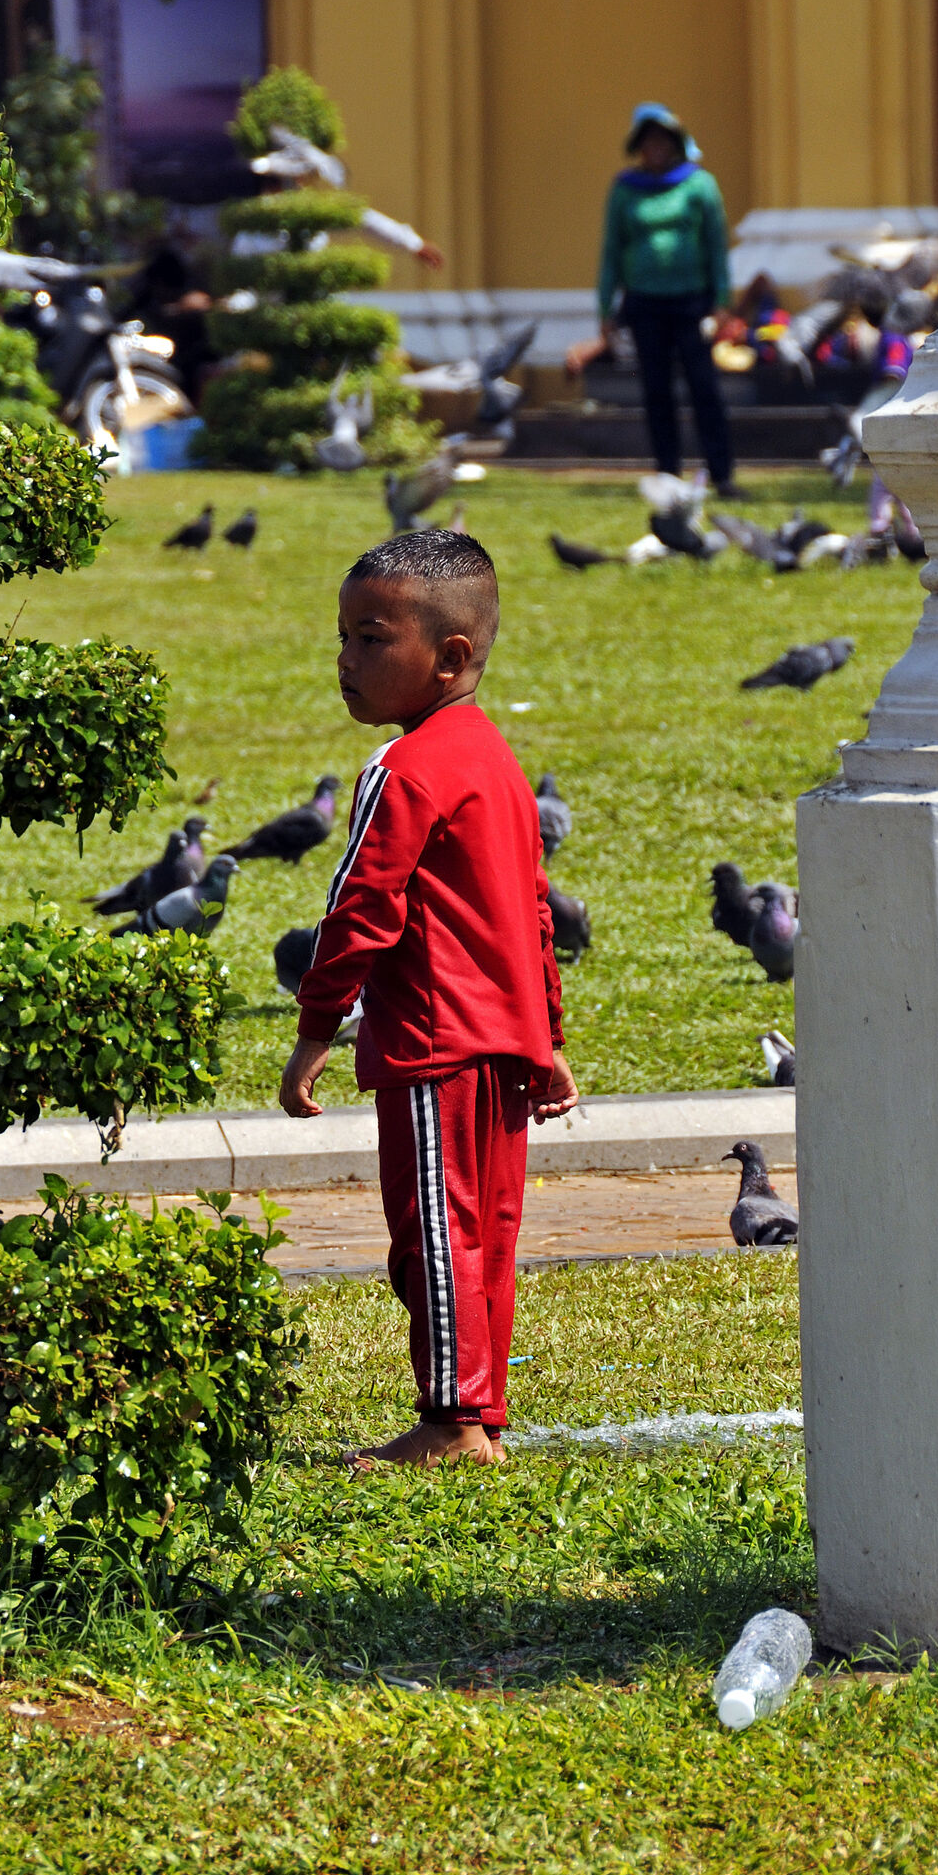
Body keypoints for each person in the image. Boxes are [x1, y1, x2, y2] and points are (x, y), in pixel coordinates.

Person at [279, 527, 580, 1471]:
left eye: (371, 640)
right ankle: (477, 1416)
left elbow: (358, 908)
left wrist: (314, 1030)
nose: (345, 660)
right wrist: (546, 1035)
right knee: (483, 1231)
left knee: (434, 1238)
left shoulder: (401, 768)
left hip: (434, 1044)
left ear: (449, 657)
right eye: (342, 638)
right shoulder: (493, 757)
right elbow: (533, 910)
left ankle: (451, 1422)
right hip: (502, 1045)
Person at [567, 103, 736, 498]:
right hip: (644, 304)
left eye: (663, 140)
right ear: (639, 147)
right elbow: (611, 250)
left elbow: (716, 244)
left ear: (675, 144)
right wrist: (605, 308)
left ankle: (722, 474)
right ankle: (667, 474)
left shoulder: (699, 185)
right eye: (649, 141)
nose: (656, 147)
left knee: (704, 388)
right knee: (656, 391)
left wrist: (722, 300)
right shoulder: (625, 188)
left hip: (692, 302)